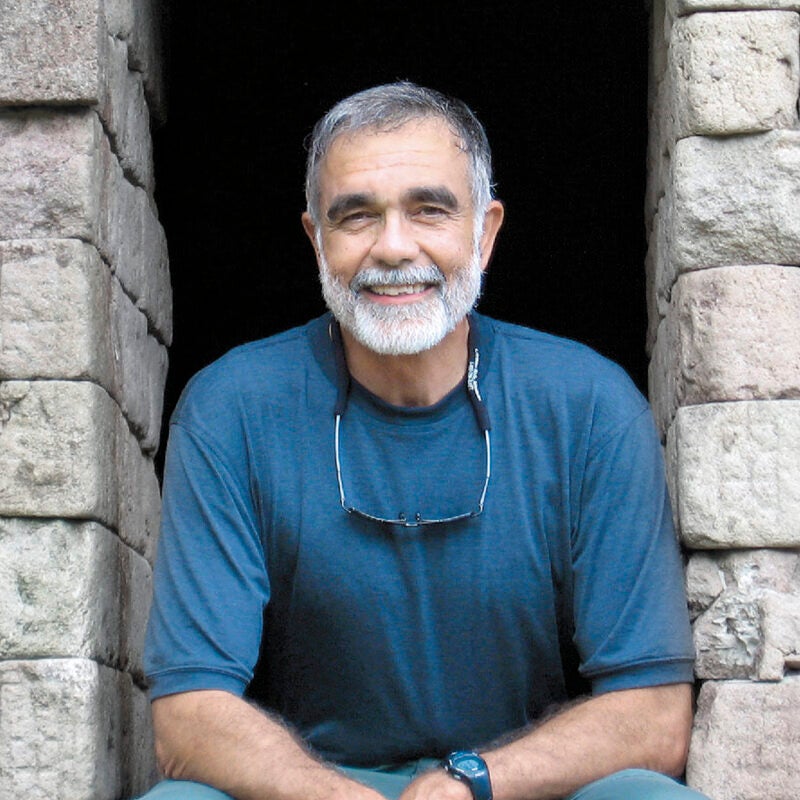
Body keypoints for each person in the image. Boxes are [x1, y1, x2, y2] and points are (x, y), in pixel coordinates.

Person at [140, 82, 708, 800]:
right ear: (316, 239)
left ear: (486, 232)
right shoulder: (232, 409)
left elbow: (655, 715)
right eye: (356, 217)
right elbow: (186, 718)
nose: (394, 247)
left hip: (511, 789)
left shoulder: (589, 405)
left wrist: (468, 782)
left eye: (430, 210)